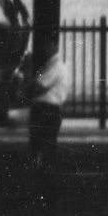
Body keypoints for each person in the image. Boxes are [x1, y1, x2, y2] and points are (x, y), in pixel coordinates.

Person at [27, 39, 68, 172]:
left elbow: (39, 87)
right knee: (42, 142)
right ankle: (44, 170)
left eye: (47, 45)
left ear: (54, 46)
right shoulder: (49, 65)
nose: (44, 49)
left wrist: (27, 89)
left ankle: (45, 171)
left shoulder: (55, 66)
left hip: (47, 108)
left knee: (43, 143)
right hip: (45, 108)